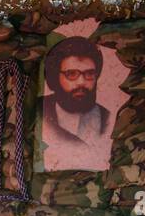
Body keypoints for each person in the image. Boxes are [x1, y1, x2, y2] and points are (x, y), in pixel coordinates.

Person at [40, 36, 115, 170]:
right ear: (54, 77)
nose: (81, 82)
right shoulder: (39, 110)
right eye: (72, 74)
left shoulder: (107, 119)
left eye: (89, 74)